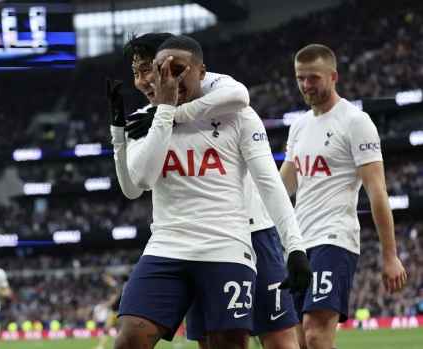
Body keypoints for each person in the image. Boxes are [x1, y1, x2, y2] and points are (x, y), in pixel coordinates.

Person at [108, 35, 310, 349]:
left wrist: (294, 246)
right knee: (134, 340)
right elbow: (138, 184)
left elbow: (270, 183)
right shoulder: (143, 121)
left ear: (202, 72)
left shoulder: (232, 106)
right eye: (151, 71)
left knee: (278, 342)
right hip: (170, 245)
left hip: (241, 235)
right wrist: (133, 127)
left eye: (165, 70)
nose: (159, 79)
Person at [279, 44, 407, 349]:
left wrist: (389, 255)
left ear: (333, 76)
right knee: (299, 339)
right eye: (300, 78)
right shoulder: (299, 126)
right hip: (298, 243)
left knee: (315, 334)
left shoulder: (355, 121)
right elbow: (284, 186)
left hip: (334, 238)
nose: (306, 85)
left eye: (313, 78)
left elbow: (377, 190)